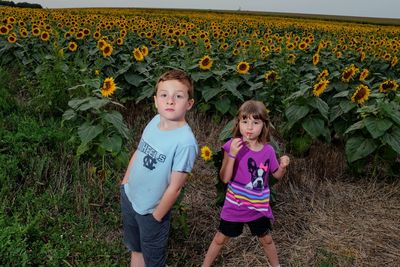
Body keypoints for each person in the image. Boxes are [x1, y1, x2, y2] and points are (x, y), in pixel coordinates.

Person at [120, 69, 198, 267]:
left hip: (152, 211)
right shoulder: (154, 121)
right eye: (164, 95)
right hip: (131, 197)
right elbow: (139, 151)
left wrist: (156, 217)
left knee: (153, 260)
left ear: (189, 104)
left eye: (178, 96)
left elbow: (175, 187)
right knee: (136, 248)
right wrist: (125, 182)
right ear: (156, 101)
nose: (170, 101)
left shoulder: (185, 142)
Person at [203, 100, 290, 267]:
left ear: (264, 125)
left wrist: (283, 167)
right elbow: (225, 178)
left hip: (257, 206)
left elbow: (276, 175)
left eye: (255, 122)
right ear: (238, 123)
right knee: (220, 239)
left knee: (267, 240)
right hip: (235, 204)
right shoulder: (232, 145)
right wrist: (233, 155)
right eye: (245, 122)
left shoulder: (268, 151)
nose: (249, 127)